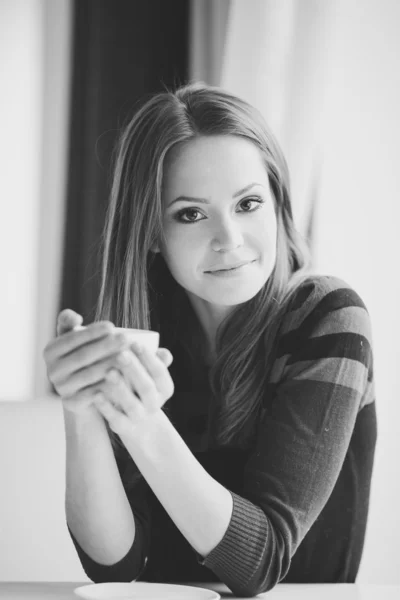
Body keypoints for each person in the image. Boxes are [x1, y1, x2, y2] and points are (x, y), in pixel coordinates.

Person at [43, 82, 377, 597]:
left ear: (277, 203)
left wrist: (142, 422)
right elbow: (114, 566)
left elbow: (260, 564)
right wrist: (80, 408)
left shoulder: (329, 317)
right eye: (191, 214)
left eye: (248, 203)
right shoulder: (144, 332)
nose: (230, 238)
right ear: (152, 229)